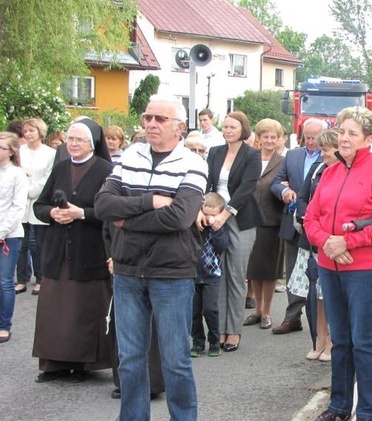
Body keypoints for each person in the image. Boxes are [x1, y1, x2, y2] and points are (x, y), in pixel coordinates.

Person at [95, 93, 208, 420]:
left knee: (175, 360)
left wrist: (127, 218)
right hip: (128, 270)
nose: (151, 124)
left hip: (172, 273)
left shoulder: (193, 163)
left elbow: (180, 218)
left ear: (180, 127)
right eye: (147, 118)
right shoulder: (129, 155)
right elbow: (103, 206)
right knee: (130, 358)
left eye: (160, 119)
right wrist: (151, 201)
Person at [305, 106, 372, 421]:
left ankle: (368, 411)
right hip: (330, 267)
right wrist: (328, 244)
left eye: (352, 134)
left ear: (368, 139)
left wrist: (348, 241)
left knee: (363, 340)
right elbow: (311, 219)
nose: (343, 138)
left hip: (364, 270)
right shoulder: (330, 171)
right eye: (342, 131)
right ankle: (339, 406)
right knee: (340, 339)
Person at [32, 122, 115, 383]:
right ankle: (54, 365)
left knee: (84, 311)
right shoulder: (60, 168)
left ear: (93, 143)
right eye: (71, 139)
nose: (74, 143)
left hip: (89, 251)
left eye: (80, 139)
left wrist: (81, 213)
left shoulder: (106, 170)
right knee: (54, 311)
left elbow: (111, 211)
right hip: (58, 252)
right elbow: (39, 205)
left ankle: (82, 365)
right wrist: (52, 213)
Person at [205, 110, 262, 352]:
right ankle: (219, 330)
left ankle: (234, 331)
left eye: (233, 127)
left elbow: (246, 188)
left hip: (241, 219)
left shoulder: (252, 155)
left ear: (243, 130)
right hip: (214, 217)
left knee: (236, 277)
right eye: (226, 127)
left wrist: (225, 214)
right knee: (218, 277)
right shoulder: (215, 152)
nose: (228, 131)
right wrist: (207, 213)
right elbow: (207, 183)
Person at [270, 118, 326, 334]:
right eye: (307, 137)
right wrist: (285, 192)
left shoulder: (330, 156)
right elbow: (276, 182)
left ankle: (322, 323)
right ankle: (292, 317)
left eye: (315, 137)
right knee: (293, 270)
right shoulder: (292, 155)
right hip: (293, 221)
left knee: (319, 272)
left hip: (320, 224)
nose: (311, 142)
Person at [287, 129, 339, 361]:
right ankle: (318, 340)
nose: (322, 153)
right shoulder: (318, 169)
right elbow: (302, 196)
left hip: (332, 243)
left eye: (326, 149)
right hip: (311, 240)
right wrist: (308, 217)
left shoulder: (344, 173)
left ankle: (332, 342)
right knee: (315, 296)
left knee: (330, 296)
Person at [243, 119, 285, 330]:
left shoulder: (283, 161)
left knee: (269, 270)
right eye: (265, 136)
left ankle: (267, 312)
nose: (269, 140)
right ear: (258, 138)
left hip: (272, 221)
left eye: (273, 137)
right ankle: (257, 310)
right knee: (253, 269)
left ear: (279, 140)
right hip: (249, 219)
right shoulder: (250, 158)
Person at [0, 132, 27, 344]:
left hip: (9, 236)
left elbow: (17, 208)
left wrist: (0, 233)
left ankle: (5, 325)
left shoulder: (17, 174)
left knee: (5, 282)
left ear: (11, 151)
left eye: (1, 147)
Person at [16, 118, 56, 295]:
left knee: (39, 243)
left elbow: (48, 177)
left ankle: (41, 279)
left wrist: (31, 191)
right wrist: (22, 190)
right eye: (25, 131)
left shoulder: (49, 153)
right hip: (20, 201)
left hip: (39, 200)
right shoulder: (19, 151)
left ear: (40, 132)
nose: (28, 134)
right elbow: (16, 173)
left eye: (31, 130)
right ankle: (22, 279)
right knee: (21, 243)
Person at [191, 192, 230, 358]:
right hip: (192, 275)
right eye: (205, 214)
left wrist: (216, 229)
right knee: (193, 311)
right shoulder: (195, 226)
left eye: (212, 215)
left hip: (211, 274)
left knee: (210, 309)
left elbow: (222, 246)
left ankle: (214, 339)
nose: (207, 218)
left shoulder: (219, 228)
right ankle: (197, 342)